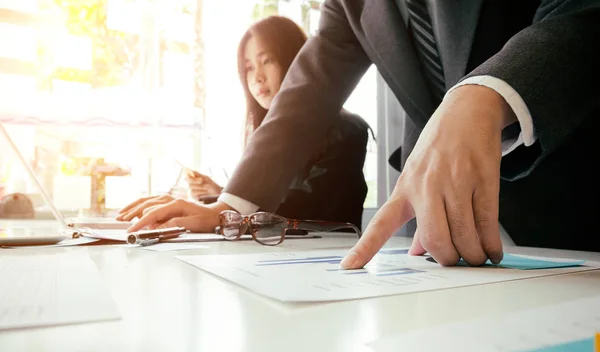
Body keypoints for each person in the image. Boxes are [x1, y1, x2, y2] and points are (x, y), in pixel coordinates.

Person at [121, 0, 600, 269]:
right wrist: (231, 206)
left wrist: (487, 93)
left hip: (568, 204)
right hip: (430, 230)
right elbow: (307, 90)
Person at [119, 15, 371, 229]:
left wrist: (219, 207)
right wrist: (220, 197)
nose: (257, 77)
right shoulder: (262, 138)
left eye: (267, 60)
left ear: (297, 60)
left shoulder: (346, 130)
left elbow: (310, 209)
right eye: (249, 67)